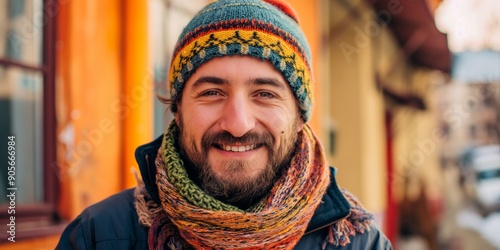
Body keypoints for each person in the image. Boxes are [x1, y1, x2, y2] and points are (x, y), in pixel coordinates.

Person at [56, 0, 392, 249]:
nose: (237, 124)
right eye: (212, 92)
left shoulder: (359, 242)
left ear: (300, 115)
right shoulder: (98, 236)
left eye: (264, 93)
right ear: (177, 109)